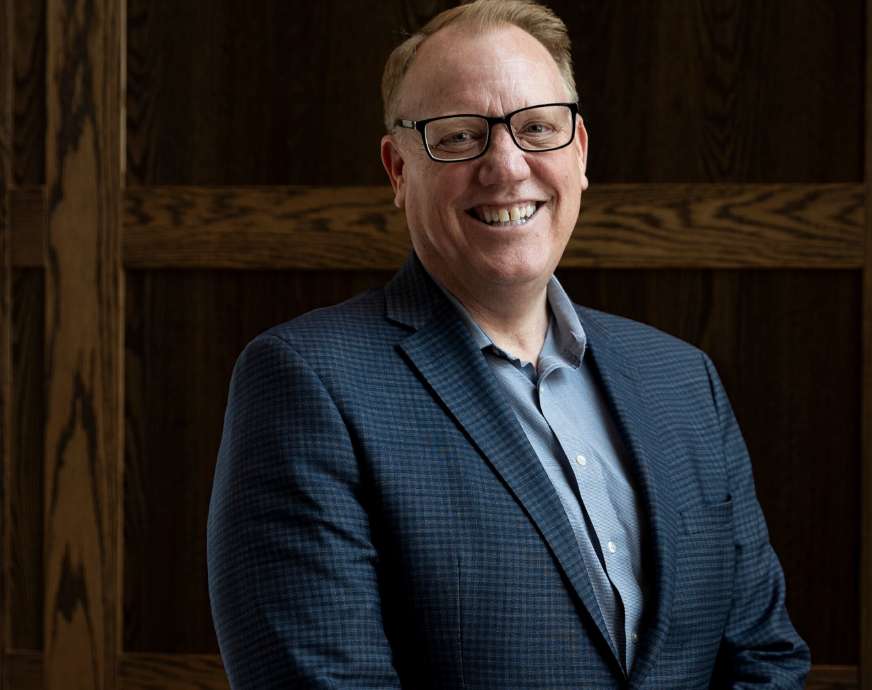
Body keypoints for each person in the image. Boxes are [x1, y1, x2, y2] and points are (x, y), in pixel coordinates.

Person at [206, 1, 809, 687]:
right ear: (398, 170)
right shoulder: (307, 383)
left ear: (580, 152)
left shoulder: (683, 379)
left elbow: (765, 657)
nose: (506, 166)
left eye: (538, 128)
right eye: (460, 136)